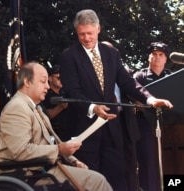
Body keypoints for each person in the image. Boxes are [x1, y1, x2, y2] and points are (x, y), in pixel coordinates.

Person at [57, 9, 173, 191]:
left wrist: (149, 100)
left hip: (112, 130)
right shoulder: (69, 57)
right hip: (86, 132)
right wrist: (93, 107)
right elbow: (72, 92)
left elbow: (127, 82)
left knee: (118, 180)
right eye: (81, 34)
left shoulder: (111, 53)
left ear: (98, 29)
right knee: (90, 182)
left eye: (90, 33)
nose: (86, 38)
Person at [0, 62, 113, 191]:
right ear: (27, 82)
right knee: (97, 182)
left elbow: (52, 139)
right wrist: (59, 150)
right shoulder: (17, 108)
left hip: (40, 168)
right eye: (43, 81)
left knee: (96, 179)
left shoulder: (34, 107)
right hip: (26, 174)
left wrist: (73, 161)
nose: (48, 87)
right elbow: (20, 151)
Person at [133, 41, 171, 191]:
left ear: (166, 58)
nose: (157, 57)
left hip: (168, 126)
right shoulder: (140, 76)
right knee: (148, 163)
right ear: (149, 57)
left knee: (169, 160)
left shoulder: (170, 76)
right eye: (154, 54)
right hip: (145, 125)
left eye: (161, 55)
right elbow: (133, 97)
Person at [42, 64, 70, 141]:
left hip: (69, 132)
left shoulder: (66, 92)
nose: (62, 80)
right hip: (54, 134)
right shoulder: (44, 94)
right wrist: (60, 107)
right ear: (50, 78)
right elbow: (44, 116)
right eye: (58, 78)